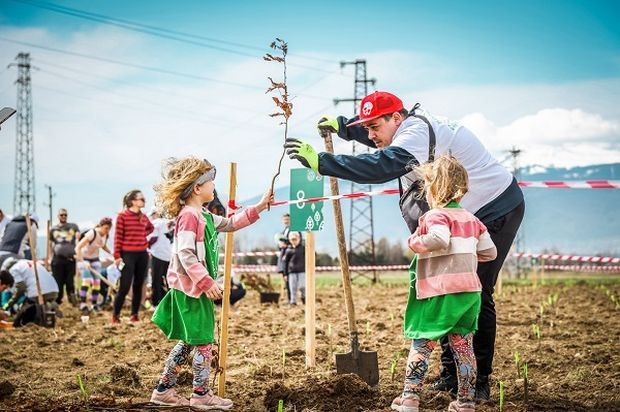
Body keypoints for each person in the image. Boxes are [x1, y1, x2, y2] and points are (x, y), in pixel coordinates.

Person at [285, 91, 525, 399]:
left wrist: (323, 162)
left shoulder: (415, 133)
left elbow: (381, 166)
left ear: (397, 118)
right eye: (366, 128)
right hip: (458, 213)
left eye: (374, 128)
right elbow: (379, 135)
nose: (370, 136)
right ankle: (452, 377)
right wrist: (344, 127)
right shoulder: (401, 125)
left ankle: (477, 383)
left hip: (494, 207)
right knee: (445, 287)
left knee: (473, 289)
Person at [149, 156, 273, 409]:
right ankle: (201, 394)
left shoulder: (203, 215)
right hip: (192, 292)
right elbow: (185, 253)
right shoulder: (189, 217)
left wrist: (259, 206)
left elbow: (230, 223)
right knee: (204, 342)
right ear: (197, 188)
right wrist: (206, 283)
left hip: (193, 291)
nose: (214, 188)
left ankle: (164, 391)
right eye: (211, 183)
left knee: (190, 341)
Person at [391, 155, 497, 412]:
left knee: (422, 343)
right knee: (463, 346)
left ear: (434, 188)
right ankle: (465, 402)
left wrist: (415, 242)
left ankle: (409, 398)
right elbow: (490, 253)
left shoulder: (434, 216)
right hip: (468, 293)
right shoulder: (472, 220)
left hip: (439, 293)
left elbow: (439, 239)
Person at [112, 190, 154, 325]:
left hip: (142, 254)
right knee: (124, 286)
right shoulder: (122, 216)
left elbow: (150, 228)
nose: (144, 201)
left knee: (138, 285)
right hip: (127, 254)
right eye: (141, 199)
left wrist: (141, 236)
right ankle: (115, 316)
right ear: (132, 201)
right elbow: (118, 237)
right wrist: (117, 256)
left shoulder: (143, 217)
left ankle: (134, 315)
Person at [0, 258, 59, 327]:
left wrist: (7, 306)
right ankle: (51, 308)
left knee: (21, 318)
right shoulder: (26, 263)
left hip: (38, 292)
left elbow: (21, 289)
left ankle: (36, 320)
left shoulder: (14, 270)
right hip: (54, 289)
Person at [75, 217, 113, 314]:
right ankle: (83, 304)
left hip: (95, 259)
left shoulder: (105, 235)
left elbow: (102, 245)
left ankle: (94, 305)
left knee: (97, 283)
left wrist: (111, 253)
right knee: (87, 281)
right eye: (105, 228)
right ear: (100, 226)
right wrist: (83, 261)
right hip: (84, 259)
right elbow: (78, 247)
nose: (107, 230)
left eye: (109, 228)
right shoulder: (92, 233)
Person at [50, 208, 80, 305]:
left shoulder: (73, 226)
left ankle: (72, 299)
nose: (63, 216)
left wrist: (78, 253)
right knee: (58, 281)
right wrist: (49, 257)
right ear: (58, 216)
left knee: (70, 281)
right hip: (57, 259)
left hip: (70, 259)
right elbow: (50, 244)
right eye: (62, 215)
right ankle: (58, 300)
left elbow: (79, 238)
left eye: (65, 215)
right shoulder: (53, 229)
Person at [147, 207, 173, 309]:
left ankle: (155, 303)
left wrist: (147, 246)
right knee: (170, 281)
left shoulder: (156, 223)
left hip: (157, 254)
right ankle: (172, 303)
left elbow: (152, 238)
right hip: (170, 255)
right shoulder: (171, 222)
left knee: (156, 280)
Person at [282, 231, 305, 305]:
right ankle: (293, 301)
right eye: (292, 240)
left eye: (295, 239)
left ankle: (304, 297)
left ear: (299, 239)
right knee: (292, 287)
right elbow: (285, 263)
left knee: (302, 286)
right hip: (291, 271)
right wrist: (285, 274)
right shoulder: (288, 250)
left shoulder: (303, 249)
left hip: (302, 270)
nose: (294, 241)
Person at [275, 213, 291, 302]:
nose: (286, 221)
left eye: (287, 219)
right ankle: (289, 299)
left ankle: (291, 299)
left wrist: (285, 244)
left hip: (289, 257)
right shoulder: (284, 231)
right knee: (286, 278)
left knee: (289, 278)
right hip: (284, 256)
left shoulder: (293, 230)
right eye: (284, 220)